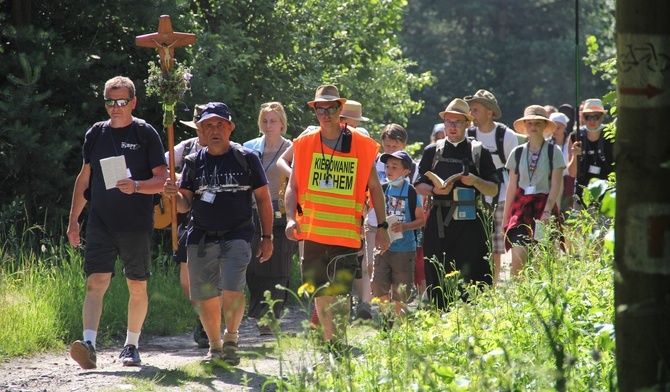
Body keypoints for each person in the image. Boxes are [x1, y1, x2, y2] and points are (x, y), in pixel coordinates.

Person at [67, 76, 168, 369]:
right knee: (94, 282)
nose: (116, 107)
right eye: (110, 102)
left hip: (135, 223)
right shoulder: (95, 134)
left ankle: (131, 345)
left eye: (122, 102)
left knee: (137, 284)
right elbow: (84, 178)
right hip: (101, 222)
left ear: (133, 102)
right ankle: (88, 344)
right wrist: (74, 220)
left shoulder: (145, 133)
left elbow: (161, 180)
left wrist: (136, 185)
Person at [163, 102, 273, 366]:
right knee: (204, 296)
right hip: (200, 236)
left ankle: (232, 339)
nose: (215, 130)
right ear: (200, 130)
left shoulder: (247, 158)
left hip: (238, 234)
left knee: (233, 288)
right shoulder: (192, 163)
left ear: (230, 128)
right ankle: (215, 346)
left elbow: (263, 199)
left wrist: (267, 237)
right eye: (208, 125)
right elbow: (184, 205)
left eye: (220, 125)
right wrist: (171, 194)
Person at [284, 85, 390, 355]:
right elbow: (292, 186)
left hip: (346, 233)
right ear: (315, 111)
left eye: (331, 108)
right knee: (321, 293)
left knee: (340, 294)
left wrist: (383, 226)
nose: (326, 113)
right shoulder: (304, 143)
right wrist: (288, 218)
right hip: (313, 232)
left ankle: (337, 343)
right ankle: (331, 344)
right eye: (321, 108)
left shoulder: (361, 145)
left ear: (340, 110)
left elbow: (375, 189)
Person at [415, 98, 499, 310]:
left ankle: (472, 322)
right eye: (449, 122)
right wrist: (434, 189)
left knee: (472, 277)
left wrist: (476, 181)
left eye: (457, 122)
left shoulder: (479, 151)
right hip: (439, 222)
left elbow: (494, 189)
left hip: (470, 223)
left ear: (467, 124)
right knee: (437, 274)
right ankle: (441, 320)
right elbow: (418, 185)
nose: (452, 127)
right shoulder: (431, 151)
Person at [243, 101, 294, 335]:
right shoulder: (249, 147)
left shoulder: (291, 148)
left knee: (278, 266)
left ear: (282, 123)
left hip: (281, 212)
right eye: (264, 120)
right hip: (252, 211)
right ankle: (258, 311)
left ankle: (270, 317)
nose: (268, 125)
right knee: (254, 265)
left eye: (273, 121)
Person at [166, 104, 210, 348]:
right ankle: (203, 316)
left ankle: (209, 322)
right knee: (186, 279)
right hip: (187, 216)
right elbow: (162, 167)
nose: (203, 131)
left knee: (212, 274)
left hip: (215, 216)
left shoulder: (222, 149)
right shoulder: (186, 148)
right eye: (200, 127)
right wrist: (171, 178)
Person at [502, 105, 565, 276]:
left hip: (544, 207)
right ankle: (519, 298)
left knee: (542, 263)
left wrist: (547, 210)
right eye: (529, 123)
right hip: (521, 208)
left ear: (545, 126)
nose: (533, 127)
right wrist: (505, 217)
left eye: (537, 123)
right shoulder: (517, 152)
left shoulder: (554, 152)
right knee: (518, 260)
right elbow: (512, 186)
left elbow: (556, 185)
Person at [464, 89, 518, 285]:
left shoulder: (506, 136)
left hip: (502, 194)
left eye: (476, 110)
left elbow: (514, 172)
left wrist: (513, 202)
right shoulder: (468, 134)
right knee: (474, 242)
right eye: (471, 110)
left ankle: (493, 286)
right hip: (474, 195)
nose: (472, 114)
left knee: (496, 244)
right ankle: (474, 285)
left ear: (489, 112)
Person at [371, 150, 424, 323]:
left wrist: (405, 226)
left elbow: (421, 220)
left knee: (401, 290)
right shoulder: (382, 190)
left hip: (404, 249)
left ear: (406, 171)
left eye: (395, 167)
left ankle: (399, 327)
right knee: (379, 285)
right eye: (387, 166)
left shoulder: (411, 192)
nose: (389, 170)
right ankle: (387, 320)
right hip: (383, 248)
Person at [566, 98, 614, 209]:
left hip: (606, 196)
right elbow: (572, 173)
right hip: (582, 196)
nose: (592, 121)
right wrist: (575, 156)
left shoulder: (611, 135)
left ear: (602, 116)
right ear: (583, 117)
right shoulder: (575, 136)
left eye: (596, 117)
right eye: (588, 117)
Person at [548, 112, 573, 213]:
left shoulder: (570, 142)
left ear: (564, 127)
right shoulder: (547, 143)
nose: (556, 130)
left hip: (568, 180)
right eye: (553, 127)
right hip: (551, 180)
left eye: (559, 127)